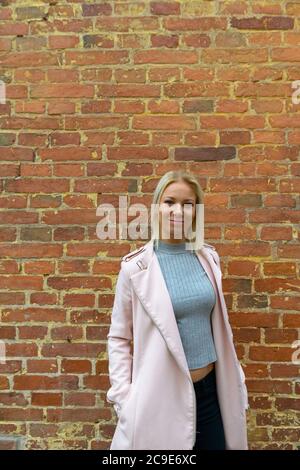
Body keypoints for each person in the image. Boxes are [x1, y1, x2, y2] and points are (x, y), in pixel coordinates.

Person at [106, 170, 249, 450]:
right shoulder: (135, 269)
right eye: (170, 202)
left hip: (211, 393)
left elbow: (217, 326)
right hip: (161, 396)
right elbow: (119, 338)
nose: (178, 211)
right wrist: (124, 397)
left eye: (188, 204)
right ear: (157, 206)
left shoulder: (208, 257)